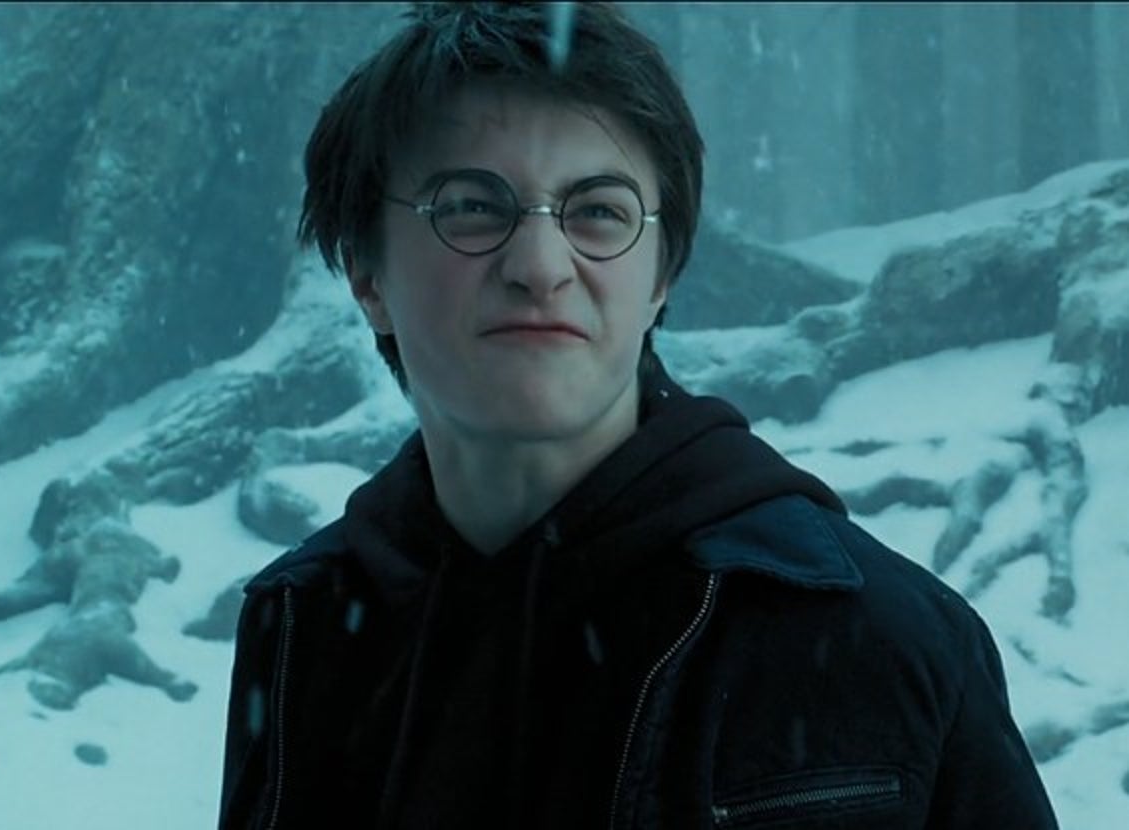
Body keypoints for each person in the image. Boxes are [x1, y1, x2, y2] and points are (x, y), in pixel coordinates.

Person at [219, 3, 1059, 828]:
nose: (541, 265)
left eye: (598, 212)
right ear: (367, 274)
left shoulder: (879, 635)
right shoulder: (299, 624)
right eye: (471, 205)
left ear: (660, 277)